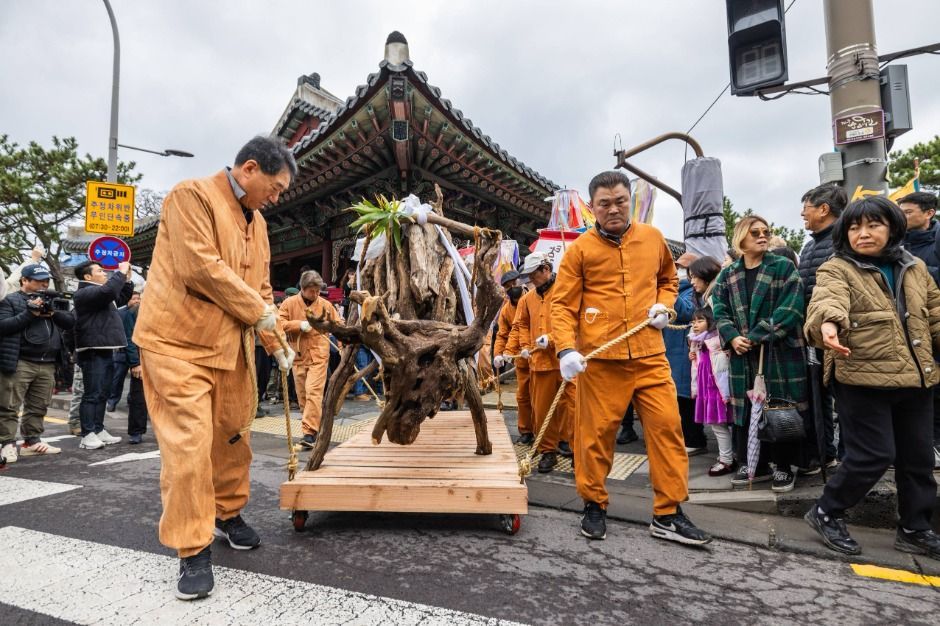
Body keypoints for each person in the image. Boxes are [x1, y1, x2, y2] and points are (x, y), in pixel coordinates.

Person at [134, 136, 296, 600]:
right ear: (249, 169)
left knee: (232, 434)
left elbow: (262, 288)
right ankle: (192, 548)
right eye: (276, 187)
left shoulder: (260, 223)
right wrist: (259, 313)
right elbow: (199, 267)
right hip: (175, 342)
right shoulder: (191, 196)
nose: (277, 197)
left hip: (231, 347)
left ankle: (226, 513)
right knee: (189, 444)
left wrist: (275, 339)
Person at [551, 170, 710, 544]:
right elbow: (561, 306)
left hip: (649, 354)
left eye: (620, 201)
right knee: (594, 437)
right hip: (601, 359)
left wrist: (665, 307)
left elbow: (669, 281)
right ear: (593, 208)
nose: (614, 209)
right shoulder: (579, 250)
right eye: (604, 204)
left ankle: (668, 512)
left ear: (630, 202)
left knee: (668, 430)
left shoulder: (653, 239)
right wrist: (565, 348)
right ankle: (593, 503)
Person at [804, 196, 940, 560]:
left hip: (916, 378)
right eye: (854, 227)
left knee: (919, 459)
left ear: (893, 228)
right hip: (861, 376)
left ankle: (915, 527)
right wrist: (828, 325)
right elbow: (826, 303)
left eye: (873, 225)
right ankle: (825, 511)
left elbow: (935, 316)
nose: (862, 234)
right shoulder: (837, 268)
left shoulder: (915, 267)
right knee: (873, 455)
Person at [712, 215, 807, 493]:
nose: (762, 236)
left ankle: (784, 466)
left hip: (779, 351)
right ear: (741, 237)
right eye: (755, 232)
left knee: (780, 408)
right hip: (742, 354)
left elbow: (791, 308)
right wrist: (731, 337)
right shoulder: (728, 274)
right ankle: (753, 464)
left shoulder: (783, 266)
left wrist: (753, 337)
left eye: (766, 231)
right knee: (744, 410)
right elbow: (719, 308)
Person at [506, 251, 575, 473]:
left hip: (566, 359)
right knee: (542, 409)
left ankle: (575, 448)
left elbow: (576, 320)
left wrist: (554, 339)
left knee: (572, 407)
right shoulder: (527, 299)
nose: (531, 281)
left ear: (546, 270)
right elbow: (521, 325)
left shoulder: (566, 291)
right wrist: (525, 346)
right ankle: (547, 451)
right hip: (540, 362)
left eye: (533, 275)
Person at [0, 263, 75, 461]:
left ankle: (31, 442)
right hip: (20, 360)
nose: (43, 284)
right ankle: (6, 443)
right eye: (38, 280)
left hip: (48, 362)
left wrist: (54, 313)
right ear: (24, 281)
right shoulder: (11, 300)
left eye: (46, 280)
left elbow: (71, 322)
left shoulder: (53, 300)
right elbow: (3, 326)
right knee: (9, 405)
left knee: (39, 405)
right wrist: (29, 313)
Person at [799, 183, 846, 469]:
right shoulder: (809, 245)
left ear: (823, 209)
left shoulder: (844, 242)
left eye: (806, 208)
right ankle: (823, 452)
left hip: (840, 336)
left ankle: (848, 457)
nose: (802, 214)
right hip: (814, 337)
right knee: (819, 398)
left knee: (847, 401)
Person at [72, 260, 134, 450]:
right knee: (92, 394)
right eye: (100, 271)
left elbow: (120, 296)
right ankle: (87, 433)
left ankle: (98, 429)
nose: (105, 273)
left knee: (102, 393)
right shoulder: (85, 292)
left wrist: (128, 280)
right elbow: (109, 291)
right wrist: (121, 272)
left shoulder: (100, 294)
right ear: (87, 277)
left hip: (105, 348)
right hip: (92, 349)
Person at [899, 191, 940, 469]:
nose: (902, 216)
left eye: (908, 211)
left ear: (929, 213)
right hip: (907, 331)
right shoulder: (896, 245)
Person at [278, 269, 339, 449]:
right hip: (298, 356)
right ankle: (314, 429)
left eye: (318, 291)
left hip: (319, 355)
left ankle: (309, 433)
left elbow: (338, 326)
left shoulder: (326, 305)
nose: (316, 294)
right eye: (312, 291)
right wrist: (298, 325)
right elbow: (277, 323)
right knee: (303, 396)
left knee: (313, 392)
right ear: (303, 289)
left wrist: (344, 346)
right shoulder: (289, 304)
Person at [688, 307, 735, 476]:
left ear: (710, 321)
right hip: (708, 386)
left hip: (717, 388)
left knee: (719, 425)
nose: (695, 325)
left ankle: (726, 460)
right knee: (720, 425)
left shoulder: (717, 339)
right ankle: (728, 456)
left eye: (700, 321)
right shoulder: (697, 341)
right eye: (693, 321)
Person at [668, 252, 706, 456]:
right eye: (677, 266)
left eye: (683, 267)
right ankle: (685, 437)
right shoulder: (676, 290)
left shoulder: (692, 293)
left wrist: (671, 288)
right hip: (671, 349)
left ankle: (695, 438)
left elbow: (685, 312)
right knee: (677, 397)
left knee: (686, 396)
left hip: (684, 350)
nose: (678, 270)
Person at [493, 270, 534, 444]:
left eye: (513, 284)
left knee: (545, 398)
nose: (511, 288)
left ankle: (555, 437)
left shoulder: (534, 299)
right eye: (507, 287)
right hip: (522, 359)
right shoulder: (506, 310)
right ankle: (526, 430)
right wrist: (498, 354)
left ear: (521, 282)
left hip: (540, 354)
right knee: (523, 396)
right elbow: (503, 334)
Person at [107, 292, 141, 412]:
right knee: (117, 379)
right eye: (134, 299)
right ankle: (112, 401)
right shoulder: (121, 313)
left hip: (136, 352)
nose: (137, 301)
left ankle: (131, 400)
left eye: (138, 298)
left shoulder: (141, 313)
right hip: (121, 351)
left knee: (136, 380)